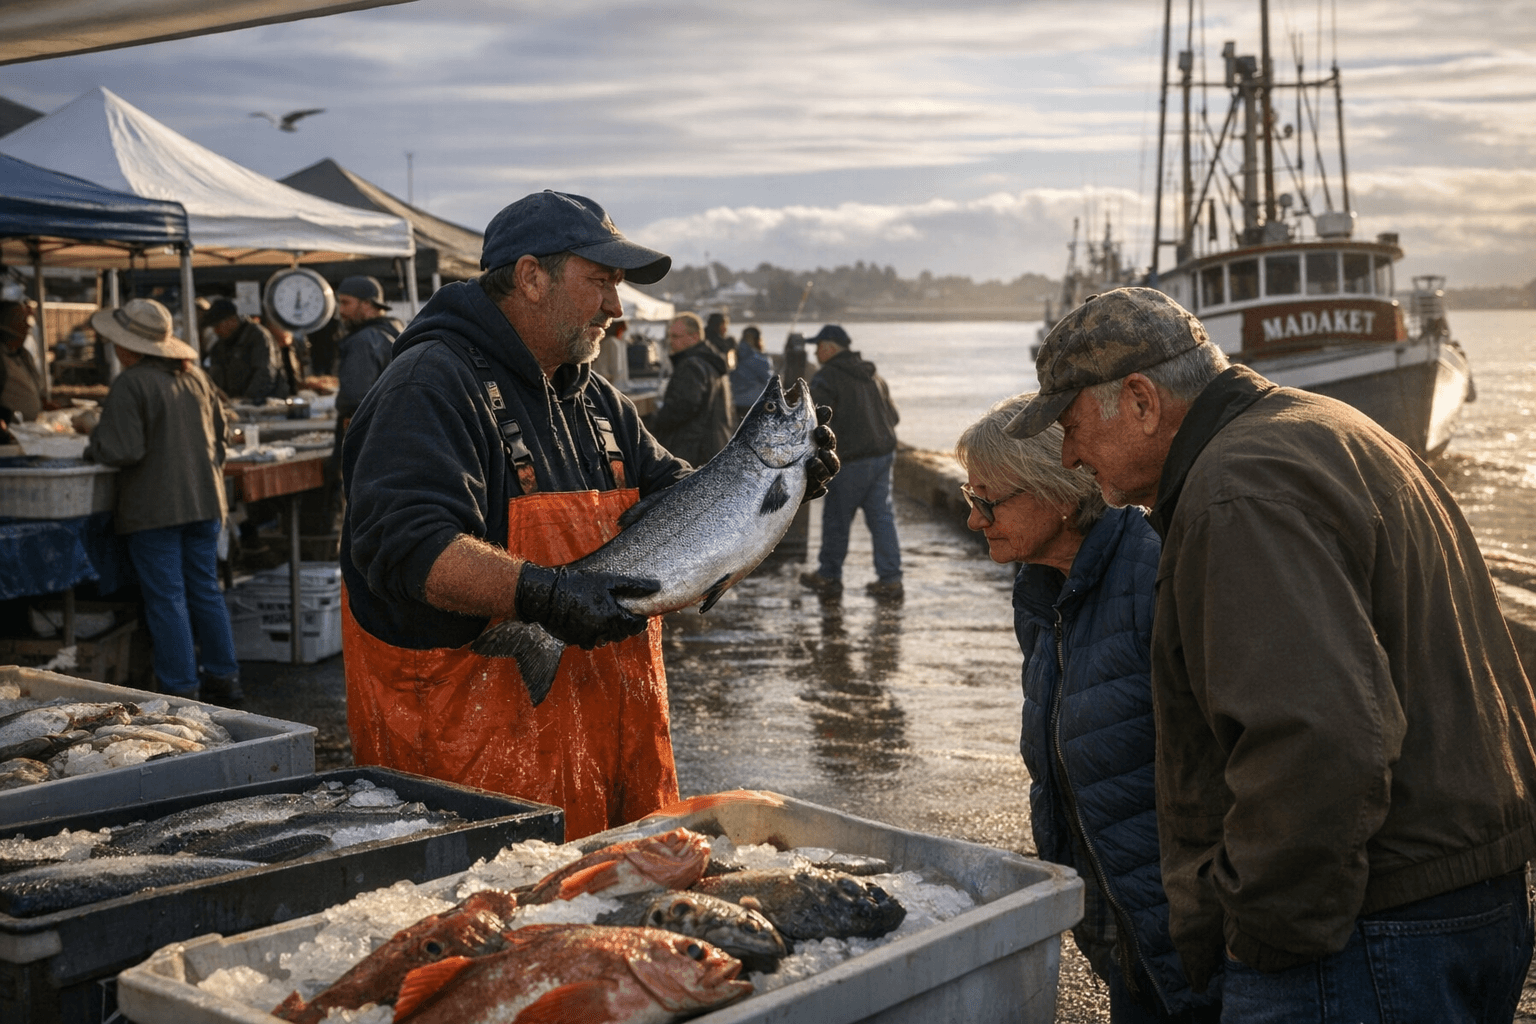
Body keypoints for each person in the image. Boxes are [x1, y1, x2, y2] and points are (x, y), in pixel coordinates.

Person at [1006, 286, 1536, 1020]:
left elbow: (1318, 738)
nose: (1068, 455)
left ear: (1141, 401)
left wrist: (1259, 936)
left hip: (1363, 929)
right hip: (1458, 896)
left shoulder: (1237, 492)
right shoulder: (1326, 429)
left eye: (1071, 427)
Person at [339, 189, 838, 838]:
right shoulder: (429, 384)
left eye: (618, 286)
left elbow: (684, 503)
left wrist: (771, 490)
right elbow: (408, 549)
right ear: (531, 277)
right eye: (599, 282)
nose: (616, 307)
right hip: (473, 774)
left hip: (611, 753)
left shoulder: (598, 400)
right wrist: (543, 596)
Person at [956, 393, 1219, 1023]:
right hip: (1128, 931)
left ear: (1064, 494)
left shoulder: (1158, 571)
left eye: (988, 501)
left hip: (1202, 943)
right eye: (971, 498)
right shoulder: (1042, 590)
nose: (973, 519)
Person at [84, 299, 242, 705]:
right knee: (204, 590)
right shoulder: (196, 377)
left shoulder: (131, 383)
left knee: (167, 599)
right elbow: (222, 435)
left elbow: (122, 450)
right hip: (205, 500)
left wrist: (92, 439)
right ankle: (224, 677)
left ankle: (180, 688)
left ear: (127, 346)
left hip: (155, 508)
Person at [799, 324, 902, 600]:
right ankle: (891, 579)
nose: (815, 353)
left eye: (818, 347)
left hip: (851, 459)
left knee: (836, 518)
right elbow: (893, 417)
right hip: (883, 455)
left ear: (829, 348)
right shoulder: (873, 374)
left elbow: (814, 421)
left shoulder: (827, 377)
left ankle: (829, 576)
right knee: (882, 518)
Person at [651, 311, 734, 467]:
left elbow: (682, 406)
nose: (670, 341)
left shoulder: (691, 365)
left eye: (675, 336)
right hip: (715, 447)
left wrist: (656, 423)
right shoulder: (710, 362)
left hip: (693, 451)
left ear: (694, 337)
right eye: (670, 336)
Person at [333, 275, 401, 426]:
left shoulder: (363, 341)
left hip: (368, 428)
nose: (341, 310)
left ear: (366, 304)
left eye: (345, 303)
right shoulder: (394, 332)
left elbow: (354, 396)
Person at [204, 298, 289, 403]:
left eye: (217, 326)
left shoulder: (258, 336)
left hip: (266, 403)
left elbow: (265, 373)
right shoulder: (220, 346)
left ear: (232, 320)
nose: (215, 331)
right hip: (236, 404)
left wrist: (247, 400)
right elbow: (216, 378)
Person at [0, 299, 45, 422]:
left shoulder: (24, 355)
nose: (27, 326)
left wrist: (42, 403)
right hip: (10, 429)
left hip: (31, 427)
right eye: (21, 320)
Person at [729, 324, 772, 419]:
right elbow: (768, 381)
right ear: (758, 339)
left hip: (736, 402)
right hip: (754, 402)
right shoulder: (760, 359)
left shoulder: (734, 354)